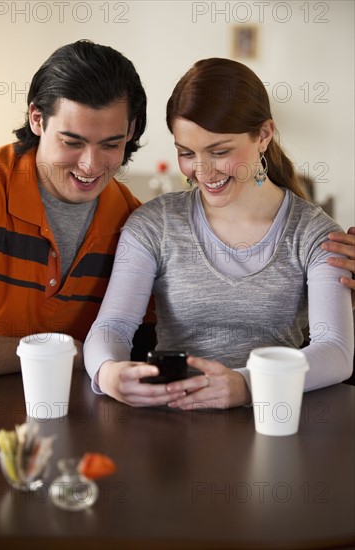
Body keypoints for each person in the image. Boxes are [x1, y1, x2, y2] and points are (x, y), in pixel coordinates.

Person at [84, 57, 354, 409]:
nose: (202, 171)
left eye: (220, 151)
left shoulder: (315, 235)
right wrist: (109, 373)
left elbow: (335, 351)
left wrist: (246, 385)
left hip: (272, 421)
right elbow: (113, 327)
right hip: (172, 427)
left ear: (263, 135)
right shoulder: (153, 225)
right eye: (186, 153)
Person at [0, 39, 153, 376]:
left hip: (80, 421)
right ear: (37, 118)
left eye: (110, 144)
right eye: (72, 142)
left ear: (131, 130)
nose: (91, 165)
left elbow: (142, 350)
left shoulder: (136, 224)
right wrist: (69, 352)